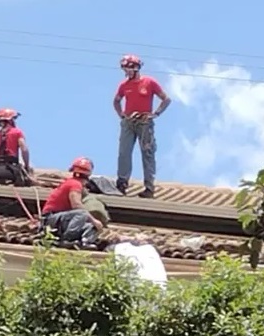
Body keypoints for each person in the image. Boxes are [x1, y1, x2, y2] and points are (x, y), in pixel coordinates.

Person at [112, 54, 172, 198]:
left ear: (136, 68)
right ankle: (122, 184)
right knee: (124, 152)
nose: (127, 72)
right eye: (125, 69)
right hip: (129, 122)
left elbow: (166, 99)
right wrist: (122, 115)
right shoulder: (124, 85)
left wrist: (156, 114)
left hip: (145, 122)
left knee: (147, 153)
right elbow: (116, 100)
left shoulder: (149, 82)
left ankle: (149, 187)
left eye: (128, 68)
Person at [39, 157, 105, 248]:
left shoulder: (71, 182)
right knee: (82, 214)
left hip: (61, 221)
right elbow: (76, 205)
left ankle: (85, 242)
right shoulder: (75, 184)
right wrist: (94, 220)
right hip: (51, 220)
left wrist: (94, 223)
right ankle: (67, 240)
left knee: (93, 226)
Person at [0, 108, 32, 186]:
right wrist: (27, 166)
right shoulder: (17, 132)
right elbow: (24, 150)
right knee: (29, 180)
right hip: (11, 171)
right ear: (10, 120)